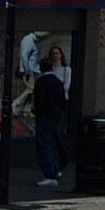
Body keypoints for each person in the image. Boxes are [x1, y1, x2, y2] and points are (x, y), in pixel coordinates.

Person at [31, 49, 68, 189]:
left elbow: (39, 102)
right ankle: (55, 169)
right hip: (56, 116)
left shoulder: (41, 82)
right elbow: (62, 100)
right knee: (50, 143)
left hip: (45, 116)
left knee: (43, 144)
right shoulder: (57, 82)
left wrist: (37, 111)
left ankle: (50, 174)